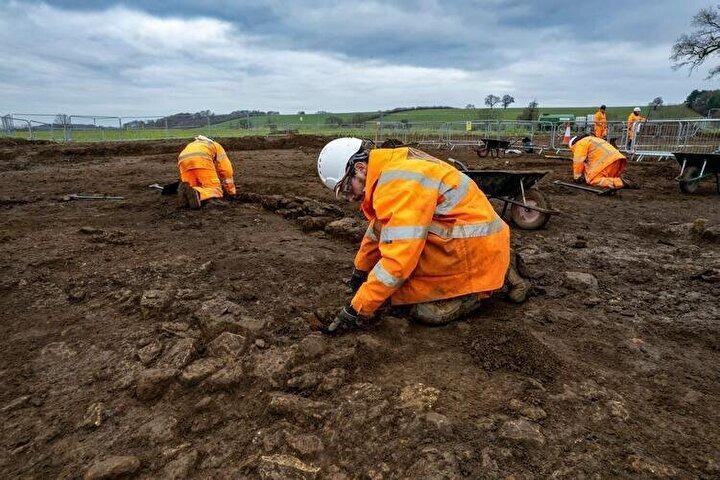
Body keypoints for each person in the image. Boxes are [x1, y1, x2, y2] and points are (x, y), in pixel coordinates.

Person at [316, 138, 529, 334]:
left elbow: (397, 261)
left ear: (360, 168)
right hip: (476, 238)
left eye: (345, 189)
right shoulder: (391, 169)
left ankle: (476, 291)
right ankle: (500, 263)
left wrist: (357, 310)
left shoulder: (398, 185)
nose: (349, 197)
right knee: (403, 275)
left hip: (473, 247)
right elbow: (379, 228)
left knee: (424, 310)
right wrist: (360, 270)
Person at [176, 135, 237, 209]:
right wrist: (231, 191)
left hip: (182, 161)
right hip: (201, 159)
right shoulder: (216, 145)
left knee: (191, 187)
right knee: (214, 190)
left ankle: (187, 196)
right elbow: (226, 170)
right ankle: (199, 193)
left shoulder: (193, 144)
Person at [569, 133, 634, 189]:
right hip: (617, 160)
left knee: (592, 180)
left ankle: (620, 182)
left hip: (606, 163)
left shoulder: (580, 144)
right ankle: (617, 181)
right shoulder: (594, 139)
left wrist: (577, 177)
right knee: (605, 177)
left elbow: (578, 161)